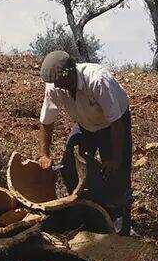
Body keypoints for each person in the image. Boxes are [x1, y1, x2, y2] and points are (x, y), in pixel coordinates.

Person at [37, 51, 134, 236]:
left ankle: (122, 225)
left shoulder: (98, 80)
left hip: (112, 125)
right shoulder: (55, 86)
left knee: (116, 173)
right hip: (85, 125)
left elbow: (116, 123)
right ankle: (85, 211)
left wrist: (114, 158)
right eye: (54, 82)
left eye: (59, 81)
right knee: (69, 166)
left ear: (71, 72)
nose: (56, 86)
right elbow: (46, 121)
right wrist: (44, 154)